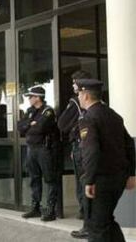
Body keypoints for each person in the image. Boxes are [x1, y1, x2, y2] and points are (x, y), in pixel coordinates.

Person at [75, 79, 135, 242]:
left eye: (79, 94)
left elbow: (91, 152)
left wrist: (89, 181)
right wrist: (131, 174)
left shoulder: (88, 118)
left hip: (101, 180)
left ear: (86, 95)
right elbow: (130, 145)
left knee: (96, 226)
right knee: (106, 220)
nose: (78, 98)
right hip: (118, 178)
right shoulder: (113, 115)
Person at [58, 70, 92, 239]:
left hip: (82, 147)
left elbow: (62, 123)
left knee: (84, 184)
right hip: (86, 147)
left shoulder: (75, 103)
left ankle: (87, 220)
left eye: (74, 82)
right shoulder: (100, 105)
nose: (72, 85)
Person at [17, 86, 59, 222]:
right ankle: (36, 207)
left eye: (31, 96)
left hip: (44, 149)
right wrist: (31, 124)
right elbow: (20, 128)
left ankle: (51, 209)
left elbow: (40, 128)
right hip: (31, 148)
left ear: (38, 97)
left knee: (49, 179)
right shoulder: (30, 111)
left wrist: (30, 126)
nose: (29, 99)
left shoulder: (48, 111)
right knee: (34, 178)